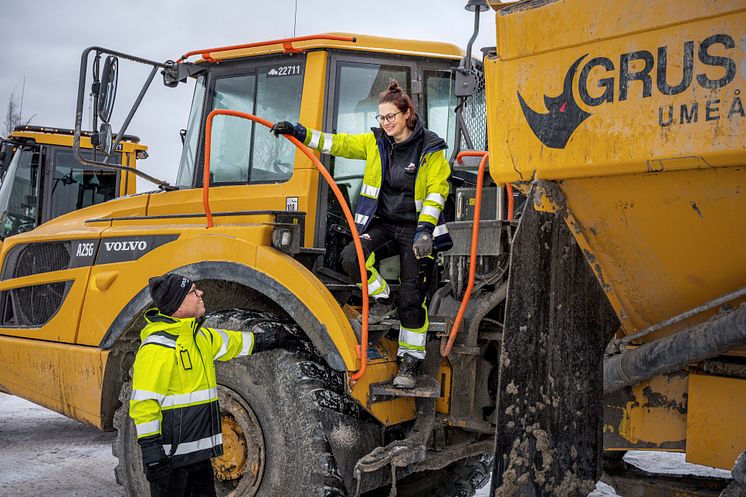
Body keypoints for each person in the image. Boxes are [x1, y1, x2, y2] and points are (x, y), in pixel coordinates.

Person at [271, 80, 452, 389]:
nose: (385, 123)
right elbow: (337, 143)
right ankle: (382, 298)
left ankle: (410, 360)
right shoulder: (375, 142)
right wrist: (300, 133)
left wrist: (425, 231)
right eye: (381, 118)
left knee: (412, 297)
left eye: (391, 116)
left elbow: (437, 191)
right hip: (382, 223)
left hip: (416, 228)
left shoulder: (430, 149)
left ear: (408, 114)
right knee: (351, 257)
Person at [129, 273, 291, 496]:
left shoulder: (200, 338)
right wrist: (151, 452)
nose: (200, 293)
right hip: (170, 462)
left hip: (200, 457)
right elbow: (144, 403)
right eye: (193, 291)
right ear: (177, 306)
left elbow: (234, 343)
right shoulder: (157, 349)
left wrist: (271, 339)